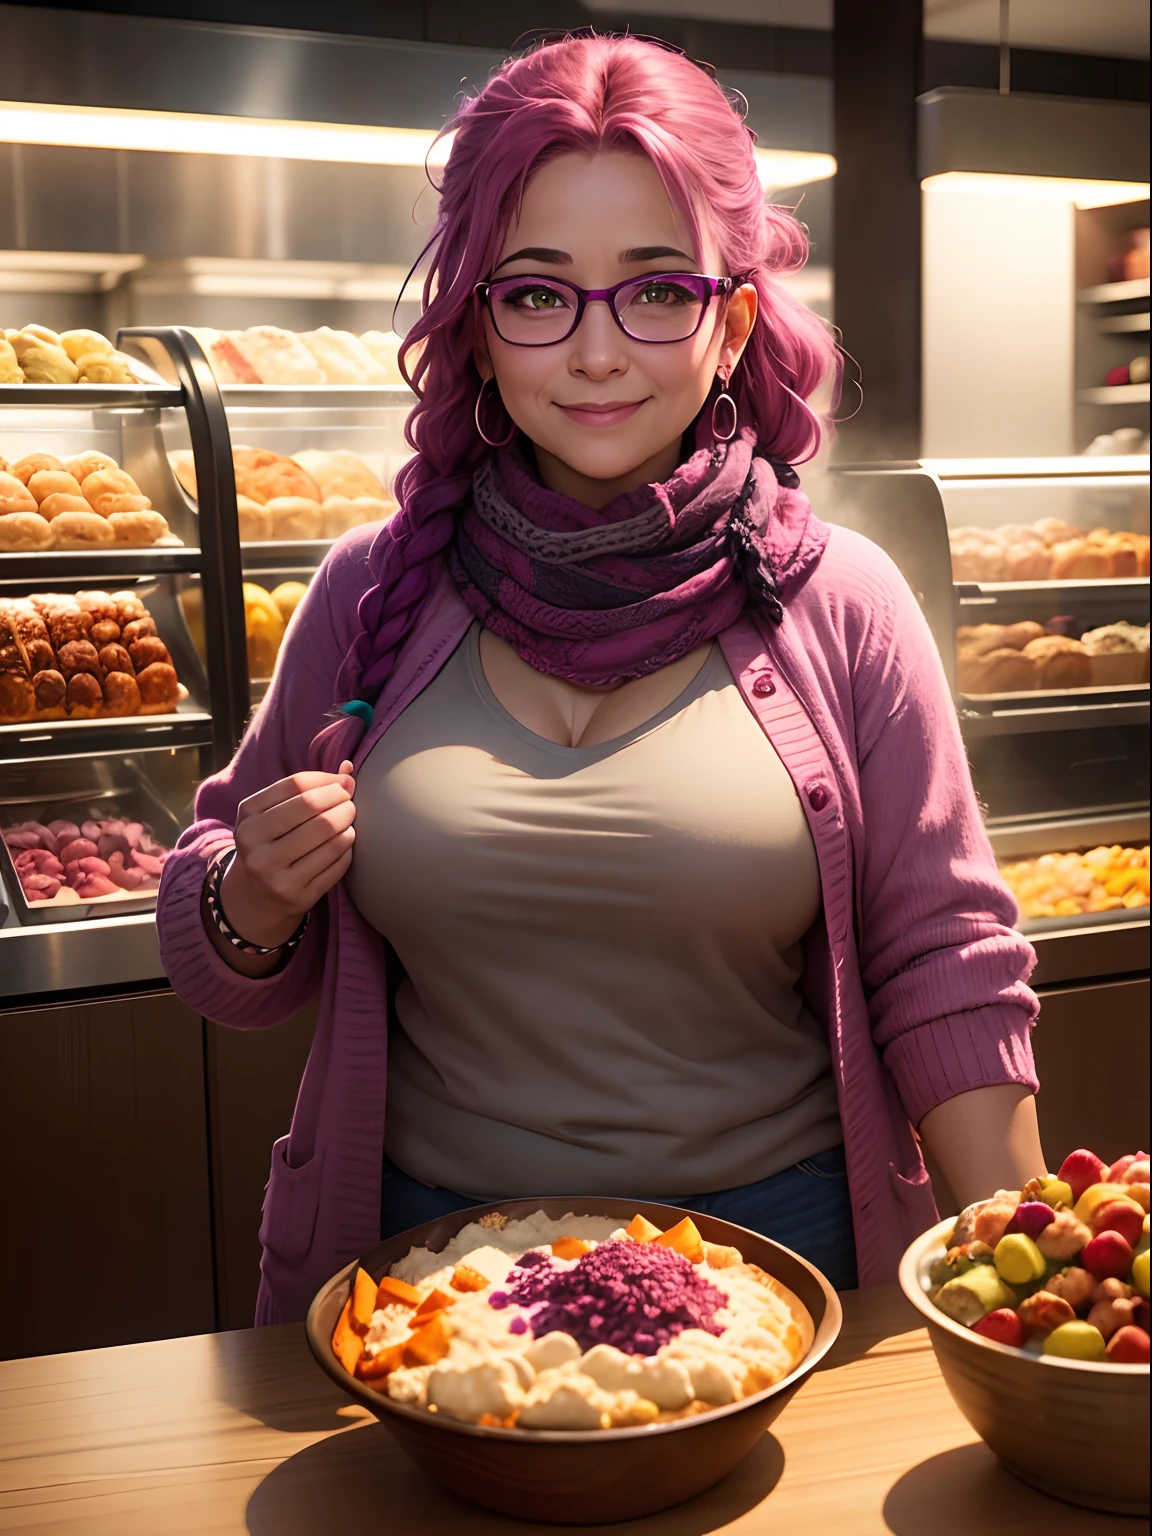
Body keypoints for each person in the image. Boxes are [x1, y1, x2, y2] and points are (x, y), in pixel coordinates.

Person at [158, 33, 1042, 1326]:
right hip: (425, 1276)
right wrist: (254, 889)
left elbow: (946, 963)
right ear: (479, 322)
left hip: (782, 1264)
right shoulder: (374, 595)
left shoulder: (838, 600)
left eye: (655, 290)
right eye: (536, 294)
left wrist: (1020, 1285)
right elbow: (223, 960)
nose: (596, 352)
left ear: (732, 316)